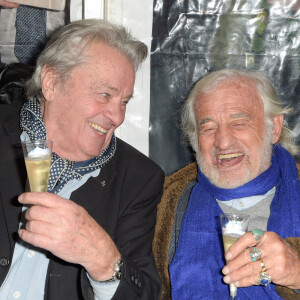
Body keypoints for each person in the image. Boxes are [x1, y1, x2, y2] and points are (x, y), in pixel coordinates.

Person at [0, 19, 164, 299]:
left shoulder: (138, 178)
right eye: (104, 95)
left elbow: (145, 293)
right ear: (51, 83)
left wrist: (103, 260)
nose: (117, 116)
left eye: (123, 101)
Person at [153, 69, 300, 300]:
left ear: (275, 128)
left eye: (239, 122)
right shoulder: (164, 208)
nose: (223, 141)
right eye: (208, 128)